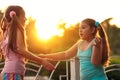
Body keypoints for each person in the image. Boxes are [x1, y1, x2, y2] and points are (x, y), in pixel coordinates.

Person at [39, 18, 110, 80]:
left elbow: (95, 62)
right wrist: (46, 56)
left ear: (92, 30)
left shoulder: (96, 42)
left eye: (83, 27)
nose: (80, 30)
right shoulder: (80, 43)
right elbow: (65, 55)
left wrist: (97, 47)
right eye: (79, 28)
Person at [0, 5, 55, 80]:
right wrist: (41, 61)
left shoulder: (6, 32)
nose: (25, 19)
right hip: (12, 75)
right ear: (17, 17)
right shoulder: (17, 29)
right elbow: (20, 49)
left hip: (8, 74)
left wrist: (39, 57)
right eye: (23, 16)